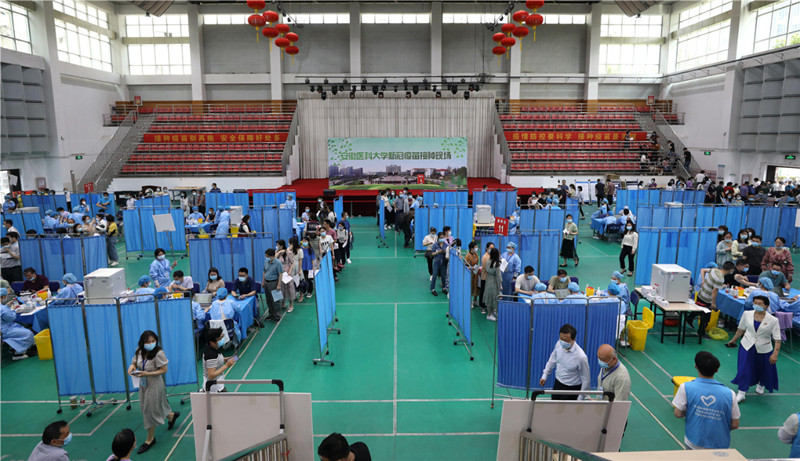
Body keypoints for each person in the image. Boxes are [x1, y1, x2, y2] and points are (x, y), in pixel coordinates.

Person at [672, 351, 740, 450]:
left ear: (696, 366)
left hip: (693, 443)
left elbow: (678, 413)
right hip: (720, 446)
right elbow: (735, 424)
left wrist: (692, 411)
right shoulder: (730, 394)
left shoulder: (685, 387)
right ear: (716, 370)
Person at [127, 330, 180, 453]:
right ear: (142, 343)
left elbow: (164, 370)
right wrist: (132, 367)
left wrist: (148, 373)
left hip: (155, 385)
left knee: (148, 410)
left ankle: (150, 439)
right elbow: (134, 362)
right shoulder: (139, 352)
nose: (151, 343)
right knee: (156, 406)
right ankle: (171, 416)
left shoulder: (159, 353)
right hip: (143, 385)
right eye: (148, 342)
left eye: (153, 341)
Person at [726, 295, 781, 402]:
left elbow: (777, 339)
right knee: (744, 369)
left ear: (766, 306)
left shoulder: (773, 320)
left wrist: (775, 354)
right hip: (747, 346)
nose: (756, 305)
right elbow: (741, 329)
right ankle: (741, 392)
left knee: (763, 368)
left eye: (760, 304)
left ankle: (761, 384)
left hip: (764, 348)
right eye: (755, 303)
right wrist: (734, 340)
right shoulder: (747, 314)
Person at [539, 323, 590, 400]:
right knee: (554, 405)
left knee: (567, 408)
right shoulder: (559, 344)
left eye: (566, 340)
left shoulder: (581, 357)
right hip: (558, 384)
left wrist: (581, 397)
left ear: (574, 339)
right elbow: (552, 359)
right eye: (561, 338)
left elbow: (586, 379)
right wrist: (545, 375)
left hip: (572, 389)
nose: (562, 342)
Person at [686, 261, 735, 339]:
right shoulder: (720, 279)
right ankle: (701, 333)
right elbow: (714, 291)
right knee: (706, 318)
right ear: (731, 270)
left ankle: (689, 319)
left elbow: (702, 270)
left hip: (701, 294)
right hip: (706, 299)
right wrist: (713, 303)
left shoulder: (714, 270)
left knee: (699, 310)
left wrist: (703, 280)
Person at [1, 288, 33, 360]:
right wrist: (13, 310)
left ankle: (14, 347)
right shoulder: (3, 309)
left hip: (3, 329)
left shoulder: (3, 308)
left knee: (19, 328)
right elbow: (11, 318)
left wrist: (7, 306)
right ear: (3, 297)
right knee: (28, 334)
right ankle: (18, 354)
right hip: (4, 331)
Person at [203, 327, 236, 393]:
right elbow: (211, 375)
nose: (222, 339)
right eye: (220, 339)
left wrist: (223, 359)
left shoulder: (211, 348)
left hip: (218, 384)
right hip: (214, 388)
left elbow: (214, 362)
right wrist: (226, 365)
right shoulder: (211, 355)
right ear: (212, 342)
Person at [262, 249, 284, 323]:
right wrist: (263, 281)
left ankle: (277, 316)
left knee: (276, 301)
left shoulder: (278, 263)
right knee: (268, 300)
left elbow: (280, 274)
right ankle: (271, 314)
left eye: (267, 256)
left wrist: (279, 285)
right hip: (266, 282)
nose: (266, 257)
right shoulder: (266, 261)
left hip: (274, 283)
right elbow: (264, 271)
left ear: (272, 256)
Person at [281, 238, 303, 310]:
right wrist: (289, 250)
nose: (289, 245)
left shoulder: (300, 250)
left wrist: (299, 270)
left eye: (290, 243)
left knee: (299, 283)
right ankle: (291, 298)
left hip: (297, 268)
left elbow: (300, 261)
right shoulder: (288, 251)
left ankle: (301, 296)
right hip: (290, 269)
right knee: (291, 285)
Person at [482, 247, 502, 321]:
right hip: (494, 282)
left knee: (489, 298)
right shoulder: (496, 264)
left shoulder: (488, 261)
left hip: (488, 281)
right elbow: (498, 276)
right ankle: (489, 315)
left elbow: (487, 270)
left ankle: (492, 312)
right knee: (493, 298)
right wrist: (500, 285)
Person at [430, 232, 448, 296]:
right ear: (438, 238)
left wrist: (445, 252)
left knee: (443, 276)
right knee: (434, 275)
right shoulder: (435, 245)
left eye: (443, 237)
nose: (442, 238)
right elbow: (432, 253)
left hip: (444, 262)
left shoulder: (446, 245)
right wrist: (438, 252)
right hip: (437, 262)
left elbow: (448, 253)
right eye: (441, 237)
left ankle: (444, 288)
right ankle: (433, 289)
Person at [478, 242, 495, 313]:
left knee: (490, 293)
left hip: (491, 278)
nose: (492, 249)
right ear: (486, 248)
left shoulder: (493, 256)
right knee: (483, 292)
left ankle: (489, 306)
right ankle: (482, 306)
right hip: (485, 277)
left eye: (493, 248)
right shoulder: (485, 257)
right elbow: (486, 268)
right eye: (490, 248)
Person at [464, 241, 481, 308]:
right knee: (470, 287)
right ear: (472, 248)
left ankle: (475, 300)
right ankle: (470, 302)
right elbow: (465, 266)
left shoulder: (476, 254)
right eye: (475, 247)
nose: (477, 248)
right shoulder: (467, 256)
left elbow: (477, 263)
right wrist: (472, 268)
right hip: (470, 274)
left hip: (476, 274)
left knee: (476, 287)